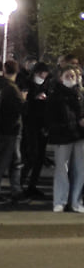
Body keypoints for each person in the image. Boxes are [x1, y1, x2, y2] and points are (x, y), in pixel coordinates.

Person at [0, 60, 27, 205]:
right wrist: (24, 101)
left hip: (5, 128)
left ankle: (11, 190)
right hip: (11, 128)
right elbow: (20, 108)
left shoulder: (1, 86)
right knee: (7, 161)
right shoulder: (12, 89)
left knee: (8, 160)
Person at [47, 66, 84, 213]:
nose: (71, 78)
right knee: (62, 169)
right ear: (61, 78)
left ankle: (75, 201)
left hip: (79, 135)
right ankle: (60, 200)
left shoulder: (80, 95)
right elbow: (50, 117)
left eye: (73, 76)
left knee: (80, 169)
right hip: (62, 136)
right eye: (68, 76)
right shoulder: (56, 95)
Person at [22, 62, 51, 199]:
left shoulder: (47, 86)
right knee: (31, 155)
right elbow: (23, 102)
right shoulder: (27, 84)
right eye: (40, 74)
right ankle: (20, 183)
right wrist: (34, 98)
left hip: (42, 125)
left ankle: (32, 185)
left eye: (44, 75)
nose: (42, 77)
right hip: (30, 124)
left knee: (40, 157)